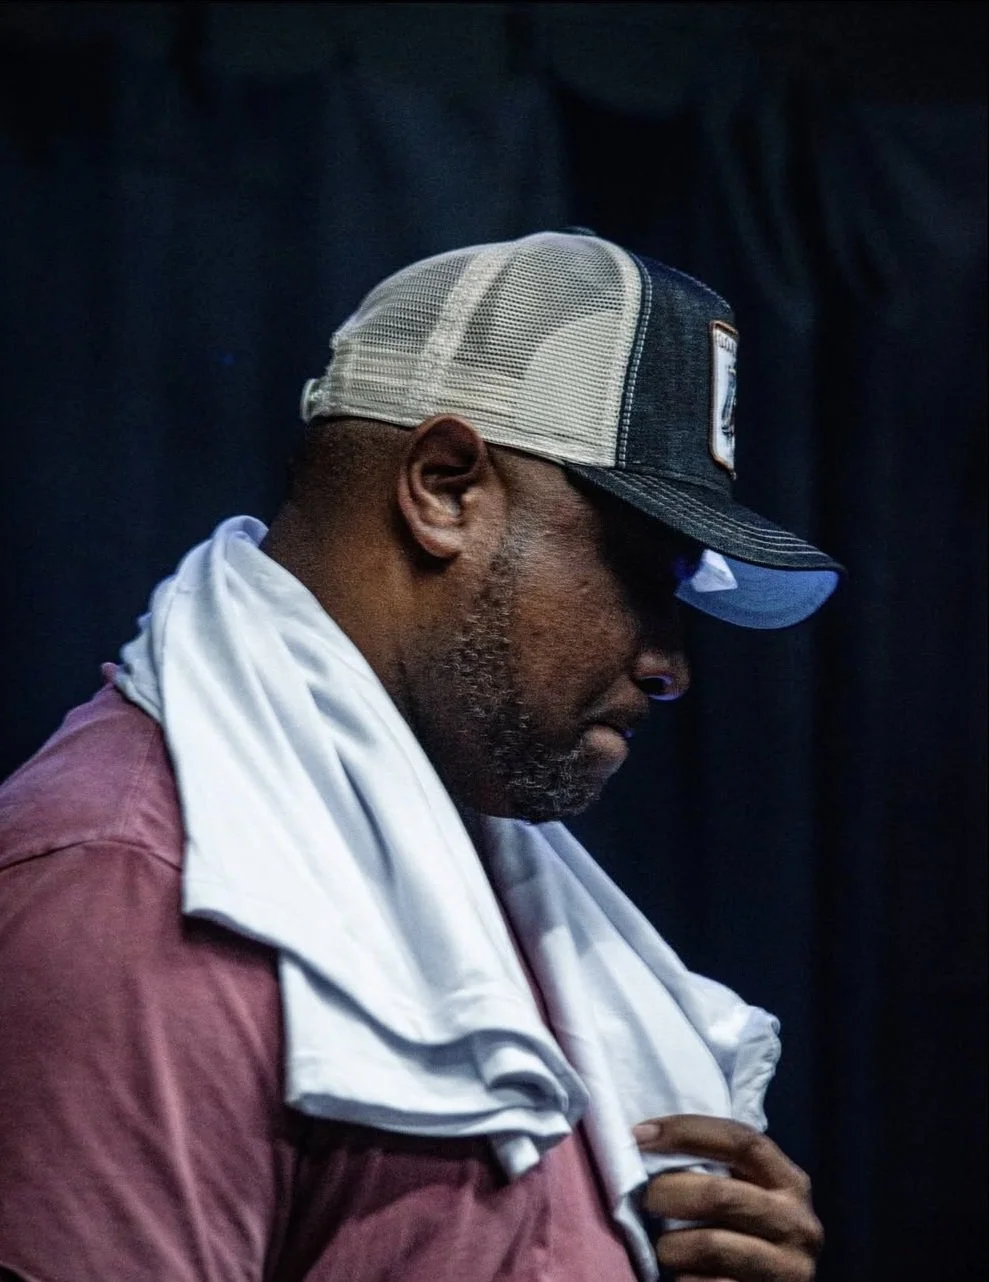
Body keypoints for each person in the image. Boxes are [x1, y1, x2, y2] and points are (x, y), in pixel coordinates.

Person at [0, 231, 838, 1282]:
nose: (669, 664)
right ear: (442, 485)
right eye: (635, 569)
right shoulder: (140, 893)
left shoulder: (466, 883)